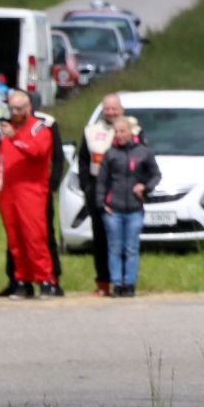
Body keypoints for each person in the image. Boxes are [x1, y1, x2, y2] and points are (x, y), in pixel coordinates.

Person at [0, 90, 61, 298]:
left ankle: (46, 279)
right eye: (12, 108)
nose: (15, 112)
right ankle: (22, 279)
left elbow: (37, 151)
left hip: (31, 190)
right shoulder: (4, 128)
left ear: (29, 107)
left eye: (19, 108)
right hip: (8, 190)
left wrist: (16, 138)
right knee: (16, 238)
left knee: (35, 236)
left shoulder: (40, 126)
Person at [96, 116, 160, 298]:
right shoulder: (110, 154)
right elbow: (102, 181)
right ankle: (117, 283)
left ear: (130, 132)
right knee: (115, 248)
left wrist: (145, 188)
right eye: (116, 132)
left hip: (134, 208)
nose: (119, 135)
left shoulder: (143, 152)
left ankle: (130, 283)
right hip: (113, 209)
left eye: (123, 131)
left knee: (131, 248)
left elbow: (156, 175)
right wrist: (101, 204)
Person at [80, 93, 128, 296]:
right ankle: (103, 283)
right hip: (98, 189)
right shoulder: (91, 131)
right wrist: (86, 187)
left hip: (122, 191)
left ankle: (124, 282)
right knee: (100, 240)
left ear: (122, 109)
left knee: (123, 240)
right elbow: (83, 160)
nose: (110, 112)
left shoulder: (133, 129)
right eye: (107, 108)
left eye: (114, 108)